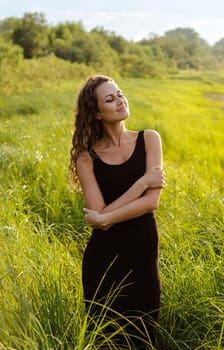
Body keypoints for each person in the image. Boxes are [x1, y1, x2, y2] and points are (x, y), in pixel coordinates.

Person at [70, 75, 166, 348]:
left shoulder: (149, 139)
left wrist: (105, 218)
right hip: (103, 261)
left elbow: (151, 203)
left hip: (143, 255)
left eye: (120, 94)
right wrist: (142, 183)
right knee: (105, 339)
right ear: (97, 113)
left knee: (144, 337)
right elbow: (98, 212)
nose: (120, 101)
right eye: (110, 99)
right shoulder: (86, 156)